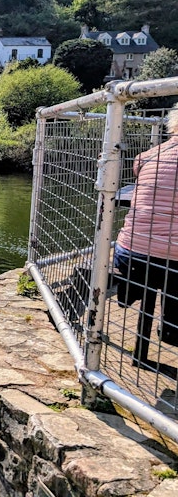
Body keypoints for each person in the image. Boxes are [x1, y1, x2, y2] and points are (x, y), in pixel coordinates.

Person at [114, 104, 178, 369]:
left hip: (132, 253)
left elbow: (139, 176)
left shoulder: (148, 156)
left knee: (151, 256)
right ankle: (171, 328)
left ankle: (129, 291)